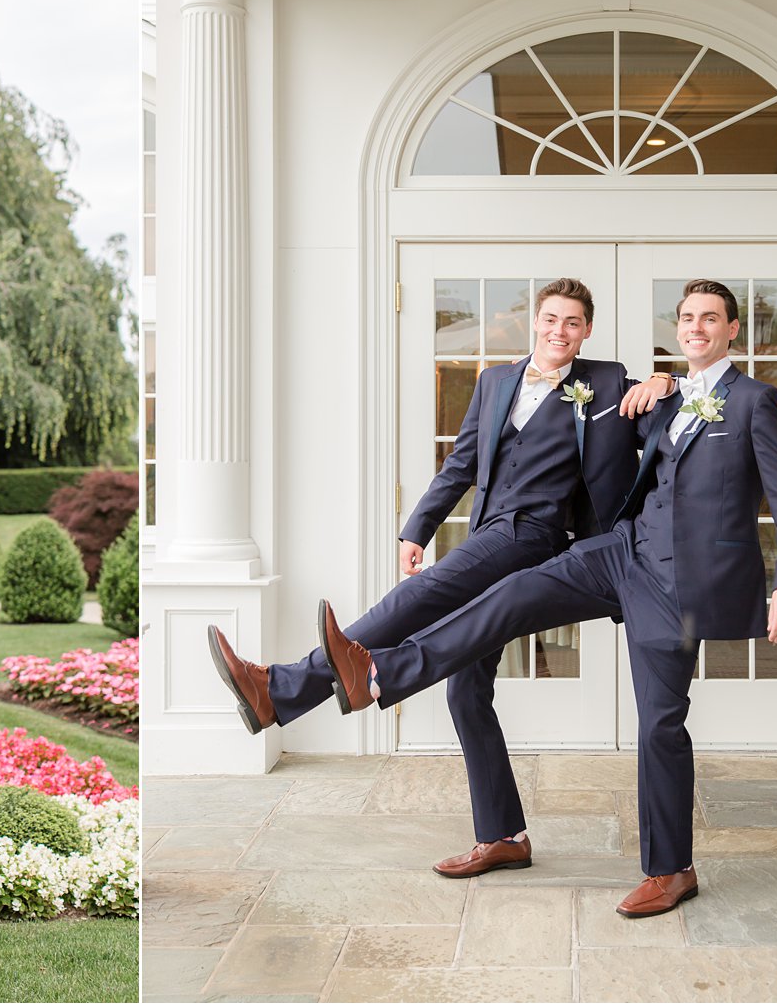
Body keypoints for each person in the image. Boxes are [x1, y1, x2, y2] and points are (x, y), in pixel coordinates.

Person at [312, 279, 777, 917]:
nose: (696, 327)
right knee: (515, 594)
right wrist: (659, 386)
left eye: (710, 319)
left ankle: (672, 870)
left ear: (732, 330)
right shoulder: (660, 397)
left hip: (679, 584)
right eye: (687, 318)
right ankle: (383, 675)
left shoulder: (754, 401)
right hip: (620, 552)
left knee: (660, 722)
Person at [209, 277, 671, 877]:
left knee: (420, 596)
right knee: (466, 689)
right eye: (552, 319)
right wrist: (416, 530)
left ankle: (282, 687)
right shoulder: (495, 380)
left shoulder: (606, 381)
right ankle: (504, 836)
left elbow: (674, 404)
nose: (561, 331)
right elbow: (460, 461)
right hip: (490, 531)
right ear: (535, 320)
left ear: (587, 330)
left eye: (573, 323)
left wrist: (666, 378)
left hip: (536, 535)